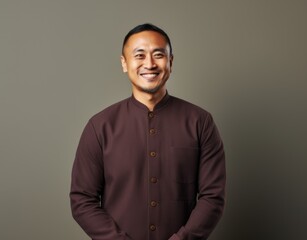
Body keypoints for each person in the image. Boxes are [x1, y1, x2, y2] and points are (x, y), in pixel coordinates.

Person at [70, 23, 226, 240]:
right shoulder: (100, 126)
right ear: (124, 63)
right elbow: (82, 200)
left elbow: (213, 197)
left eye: (159, 55)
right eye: (139, 55)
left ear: (170, 62)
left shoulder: (200, 122)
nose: (150, 64)